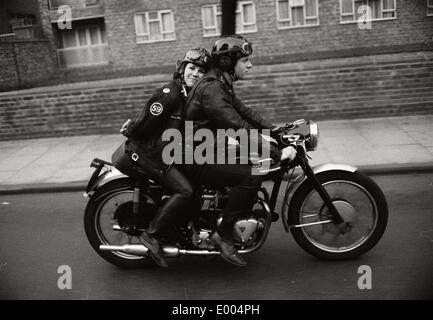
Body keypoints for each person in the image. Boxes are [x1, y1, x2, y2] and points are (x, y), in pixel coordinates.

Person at [179, 34, 297, 267]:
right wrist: (275, 152)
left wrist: (278, 133)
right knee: (250, 173)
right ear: (227, 63)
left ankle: (238, 210)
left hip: (209, 148)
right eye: (244, 61)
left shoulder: (221, 83)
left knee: (257, 162)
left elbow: (245, 113)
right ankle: (222, 236)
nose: (250, 65)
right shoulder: (212, 89)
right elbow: (237, 127)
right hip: (195, 156)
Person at [119, 47, 212, 267]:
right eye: (192, 68)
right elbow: (146, 123)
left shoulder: (187, 95)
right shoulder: (170, 93)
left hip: (166, 151)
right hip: (150, 153)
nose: (195, 74)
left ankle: (194, 230)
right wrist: (131, 128)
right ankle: (151, 235)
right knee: (186, 190)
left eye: (200, 71)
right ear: (182, 69)